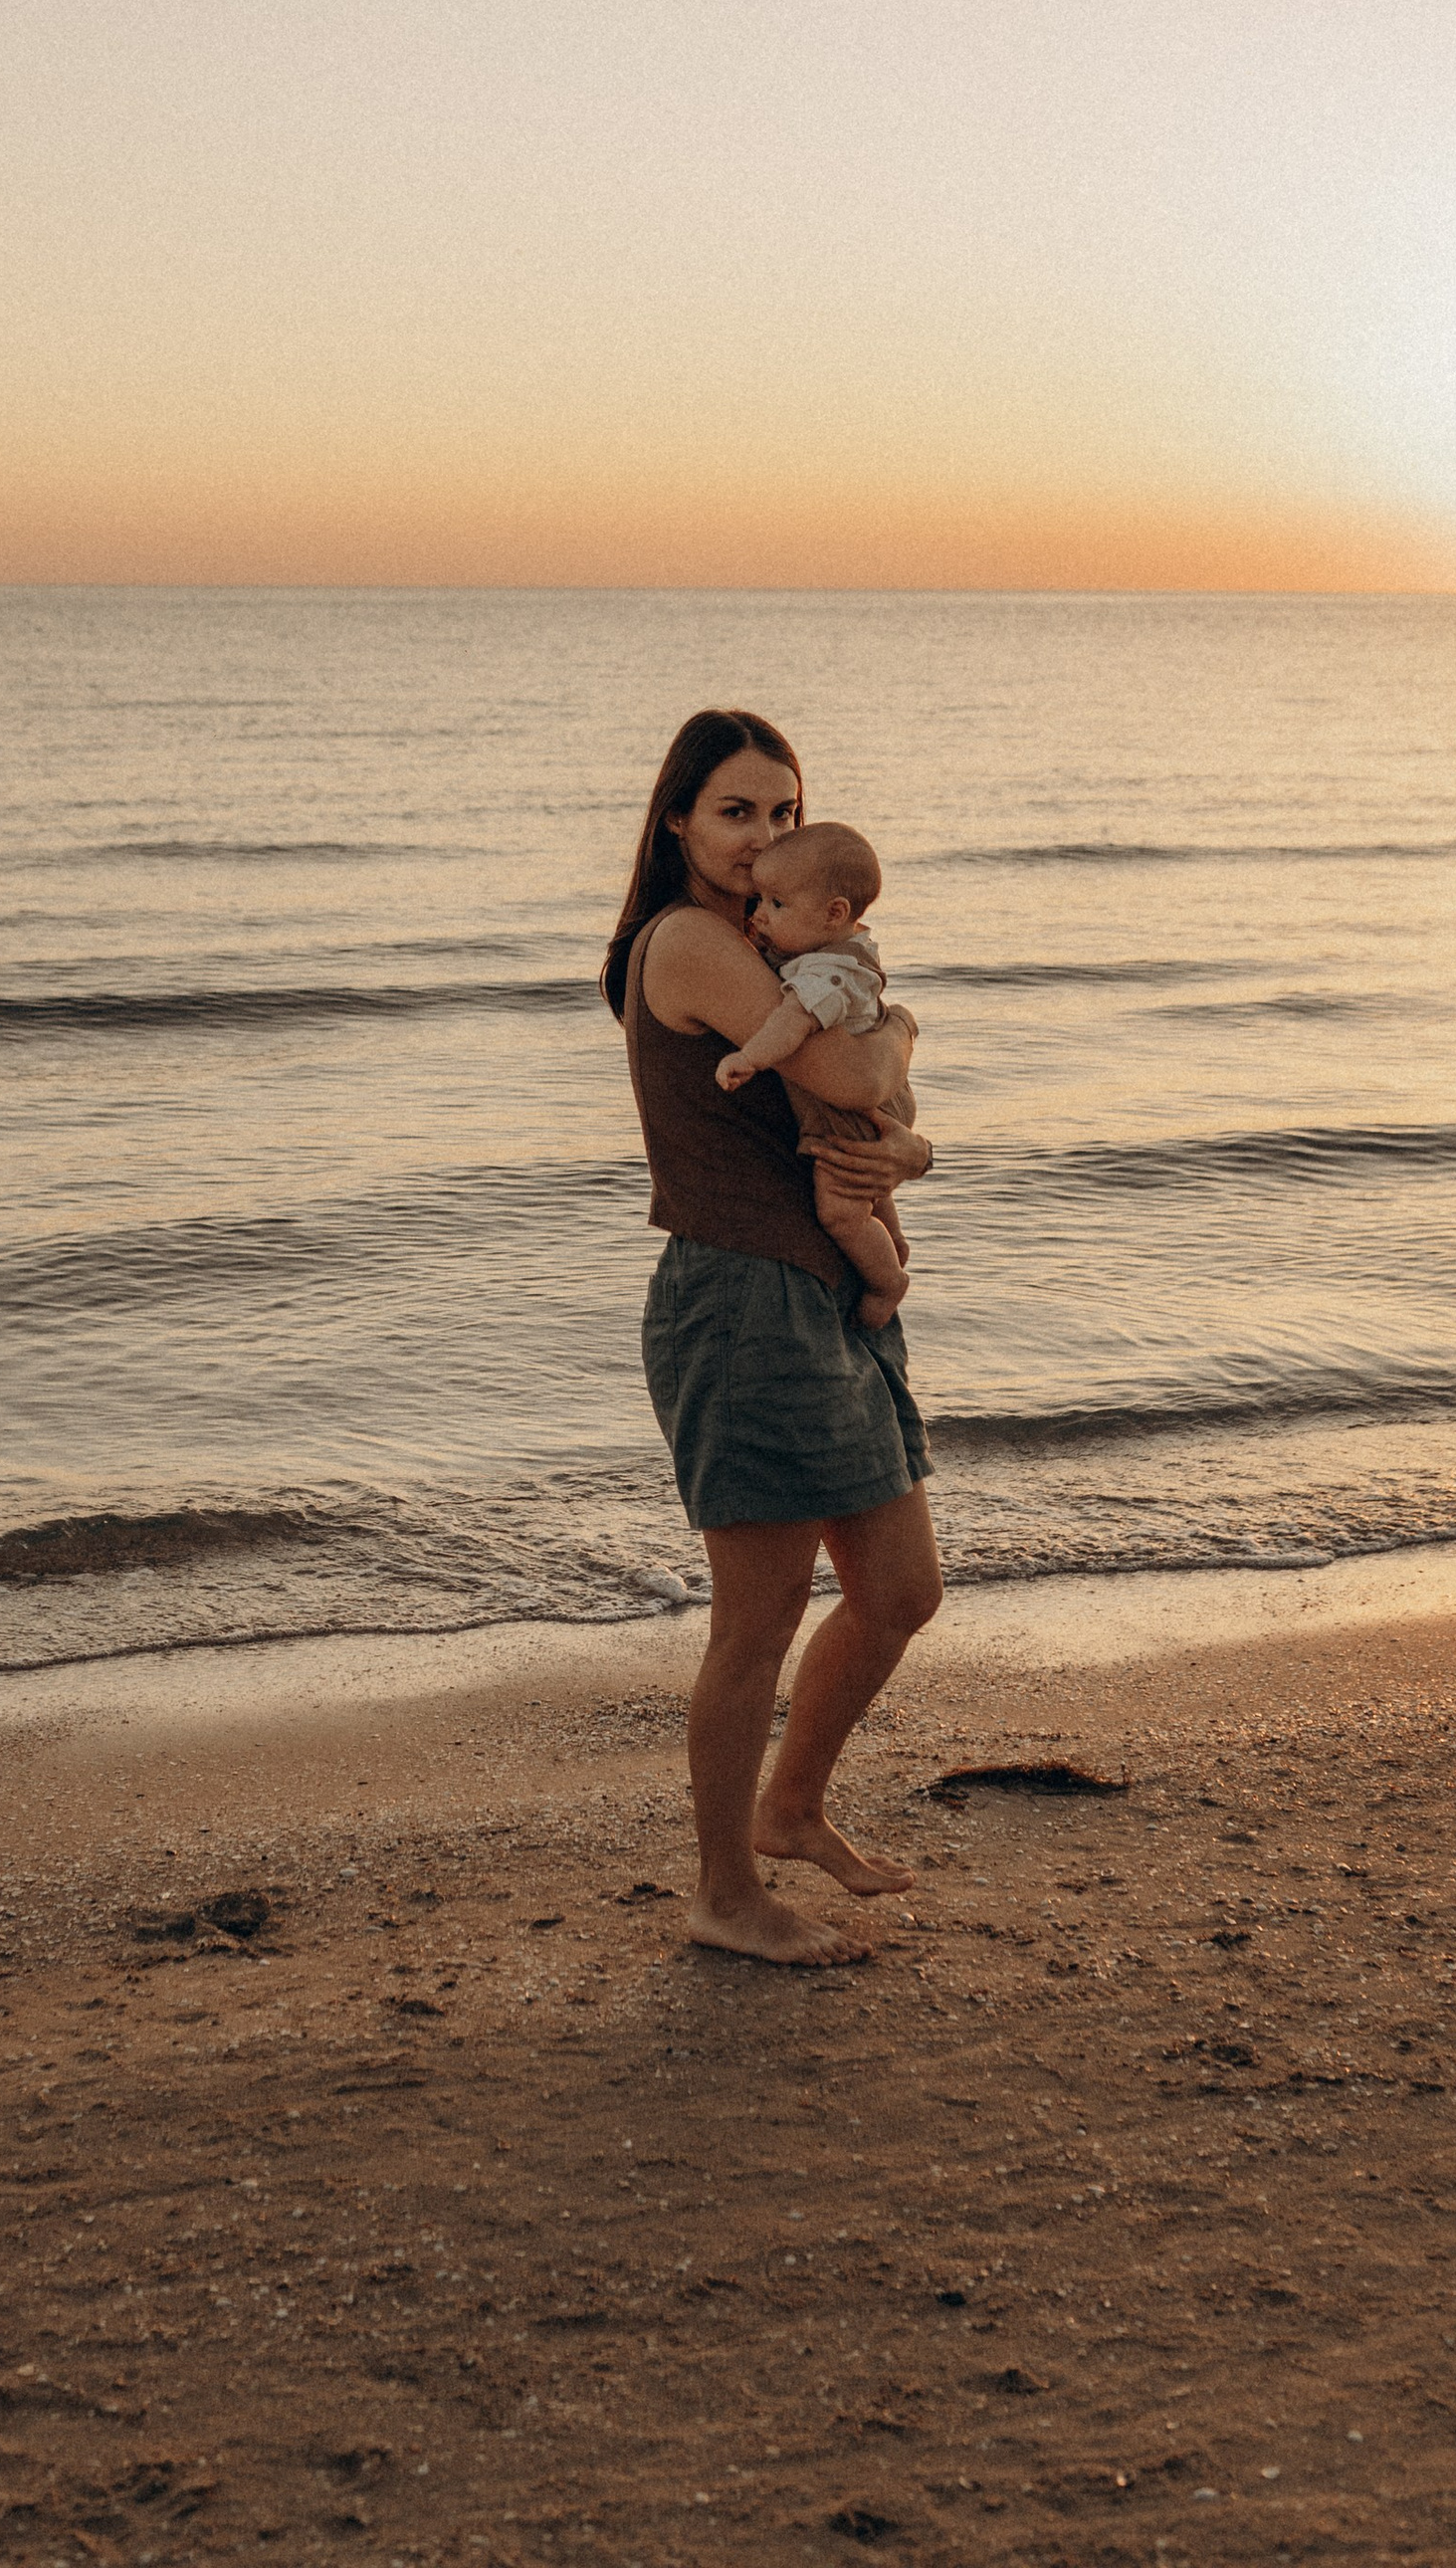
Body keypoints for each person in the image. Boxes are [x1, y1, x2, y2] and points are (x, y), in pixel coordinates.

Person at [603, 709, 939, 1967]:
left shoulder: (788, 946)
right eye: (735, 811)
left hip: (825, 1296)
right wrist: (901, 1035)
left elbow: (887, 1120)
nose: (762, 836)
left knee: (899, 1593)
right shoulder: (689, 941)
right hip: (740, 1301)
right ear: (677, 822)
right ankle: (724, 1894)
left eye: (784, 813)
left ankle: (790, 1810)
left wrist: (905, 1141)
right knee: (756, 1623)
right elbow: (854, 1081)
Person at [716, 819, 916, 1327]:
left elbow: (792, 1021)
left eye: (776, 904)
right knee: (870, 1186)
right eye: (760, 900)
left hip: (845, 1111)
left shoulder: (826, 973)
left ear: (834, 913)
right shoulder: (839, 950)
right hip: (880, 1098)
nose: (759, 914)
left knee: (841, 1212)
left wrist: (750, 1057)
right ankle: (892, 1240)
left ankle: (887, 1281)